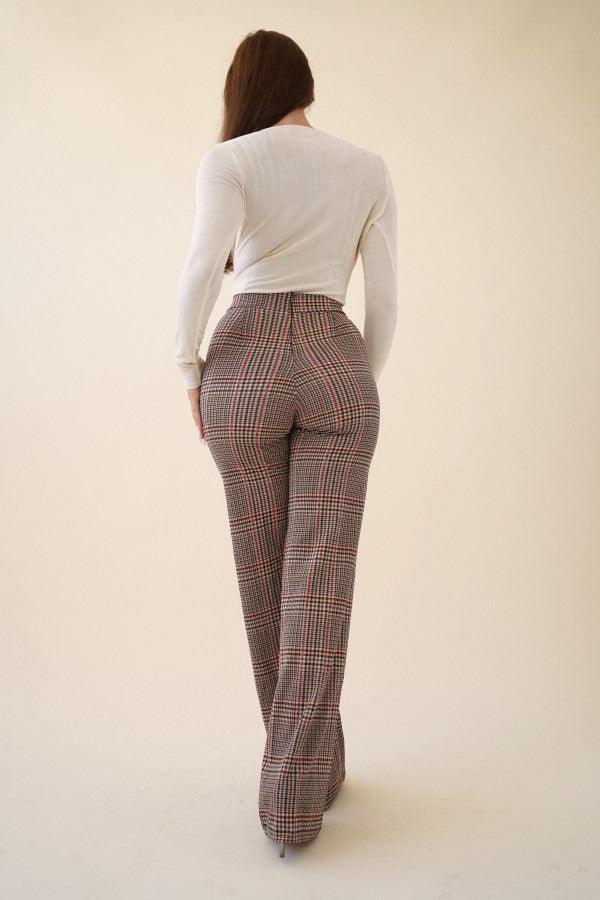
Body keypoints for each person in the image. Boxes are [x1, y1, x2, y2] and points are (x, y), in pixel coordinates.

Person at [174, 29, 398, 858]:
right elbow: (387, 300)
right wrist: (354, 376)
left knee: (266, 574)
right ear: (307, 86)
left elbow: (202, 270)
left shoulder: (230, 161)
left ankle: (293, 788)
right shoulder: (368, 167)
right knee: (320, 582)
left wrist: (189, 370)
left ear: (244, 90)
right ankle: (308, 778)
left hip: (244, 362)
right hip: (336, 352)